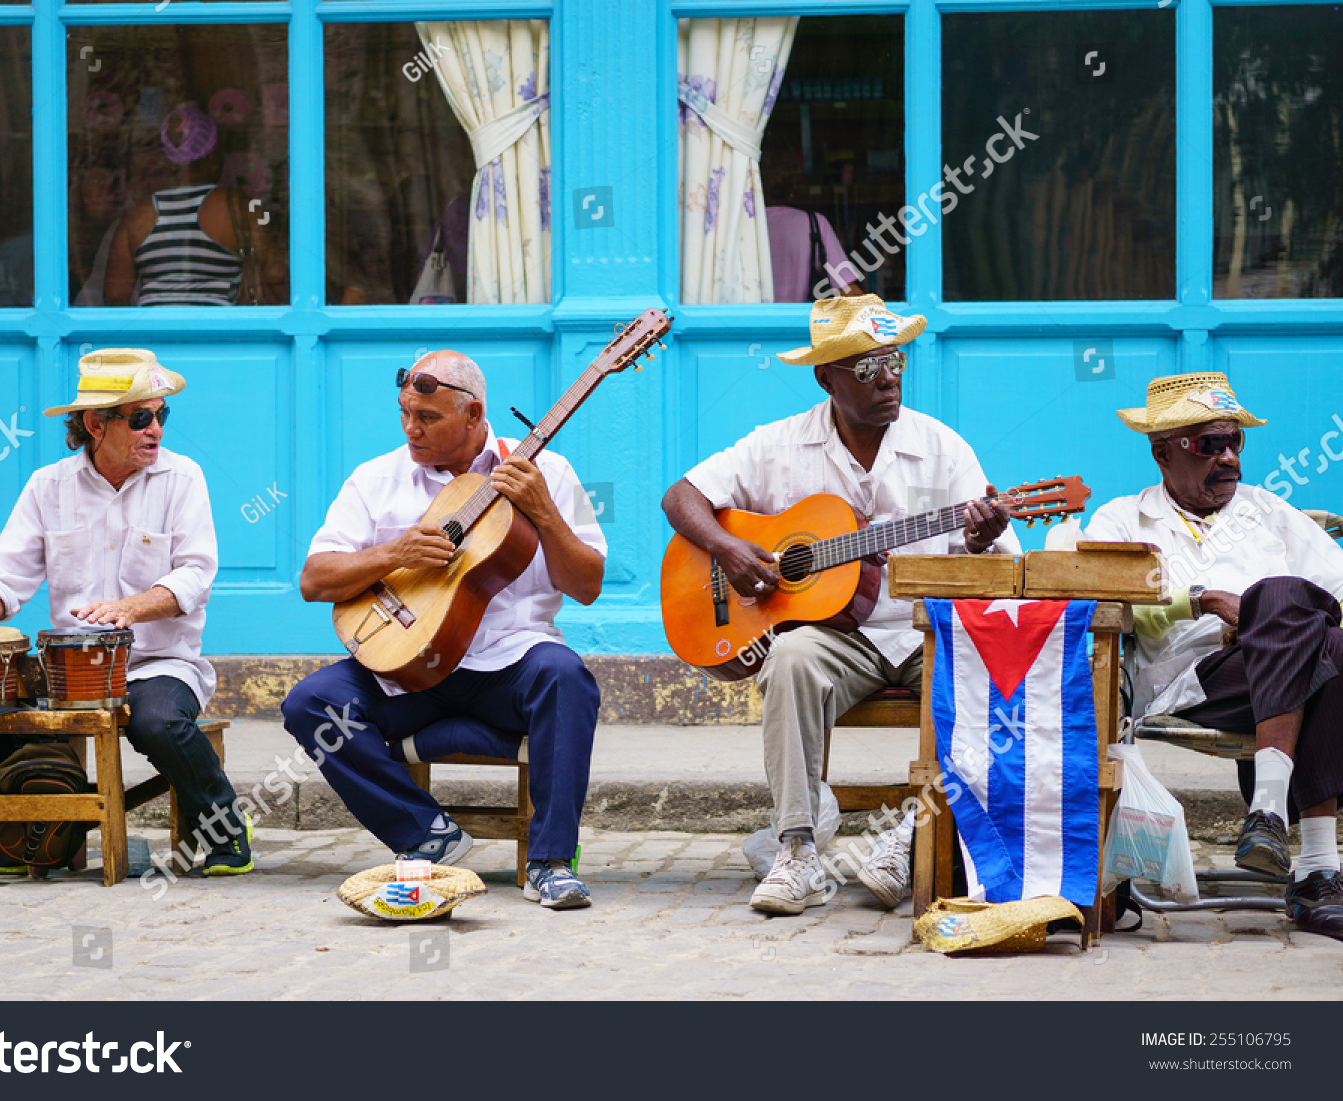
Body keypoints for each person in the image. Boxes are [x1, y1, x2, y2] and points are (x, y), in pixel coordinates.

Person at [660, 295, 1018, 915]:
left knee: (987, 667)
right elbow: (680, 497)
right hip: (836, 636)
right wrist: (731, 550)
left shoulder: (943, 447)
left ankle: (912, 835)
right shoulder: (776, 445)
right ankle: (796, 849)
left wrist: (981, 539)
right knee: (791, 657)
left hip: (921, 629)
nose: (889, 378)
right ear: (826, 378)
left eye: (896, 361)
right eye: (867, 368)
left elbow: (1003, 570)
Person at [0, 348, 252, 877]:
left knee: (158, 721)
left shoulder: (183, 478)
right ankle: (16, 836)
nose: (155, 428)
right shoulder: (49, 486)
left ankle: (227, 830)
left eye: (162, 415)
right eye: (141, 418)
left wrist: (130, 608)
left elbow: (195, 574)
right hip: (69, 672)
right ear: (95, 424)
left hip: (158, 662)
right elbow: (4, 580)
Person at [281, 350, 606, 909]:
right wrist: (393, 553)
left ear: (475, 413)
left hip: (510, 664)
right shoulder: (375, 478)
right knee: (310, 702)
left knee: (567, 677)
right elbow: (314, 580)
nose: (412, 427)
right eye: (406, 413)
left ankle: (549, 863)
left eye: (428, 417)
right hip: (408, 670)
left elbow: (588, 584)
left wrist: (544, 512)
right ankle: (425, 833)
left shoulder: (547, 471)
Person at [1084, 372, 1343, 939]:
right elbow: (1107, 605)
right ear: (1162, 452)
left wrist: (1267, 618)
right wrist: (1199, 601)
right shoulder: (1122, 520)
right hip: (1191, 682)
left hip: (1281, 670)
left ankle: (1272, 820)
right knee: (1280, 601)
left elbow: (1337, 587)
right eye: (1209, 445)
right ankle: (1318, 870)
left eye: (1235, 443)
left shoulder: (1266, 510)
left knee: (1317, 633)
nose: (1229, 458)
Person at [103, 106, 283, 306]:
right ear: (214, 158)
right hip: (220, 334)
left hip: (153, 334)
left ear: (168, 158)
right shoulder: (240, 206)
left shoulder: (137, 216)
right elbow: (276, 276)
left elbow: (115, 295)